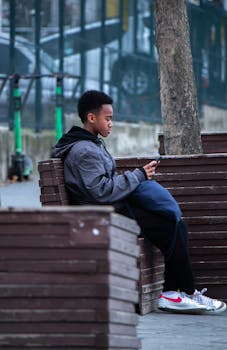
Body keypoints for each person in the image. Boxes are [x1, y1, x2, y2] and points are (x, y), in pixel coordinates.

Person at [53, 90, 226, 315]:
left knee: (174, 223)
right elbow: (100, 192)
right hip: (102, 215)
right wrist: (139, 175)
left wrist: (137, 177)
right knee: (169, 223)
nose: (111, 124)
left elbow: (102, 186)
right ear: (91, 118)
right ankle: (179, 293)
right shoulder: (84, 150)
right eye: (108, 118)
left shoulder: (90, 145)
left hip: (110, 210)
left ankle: (177, 292)